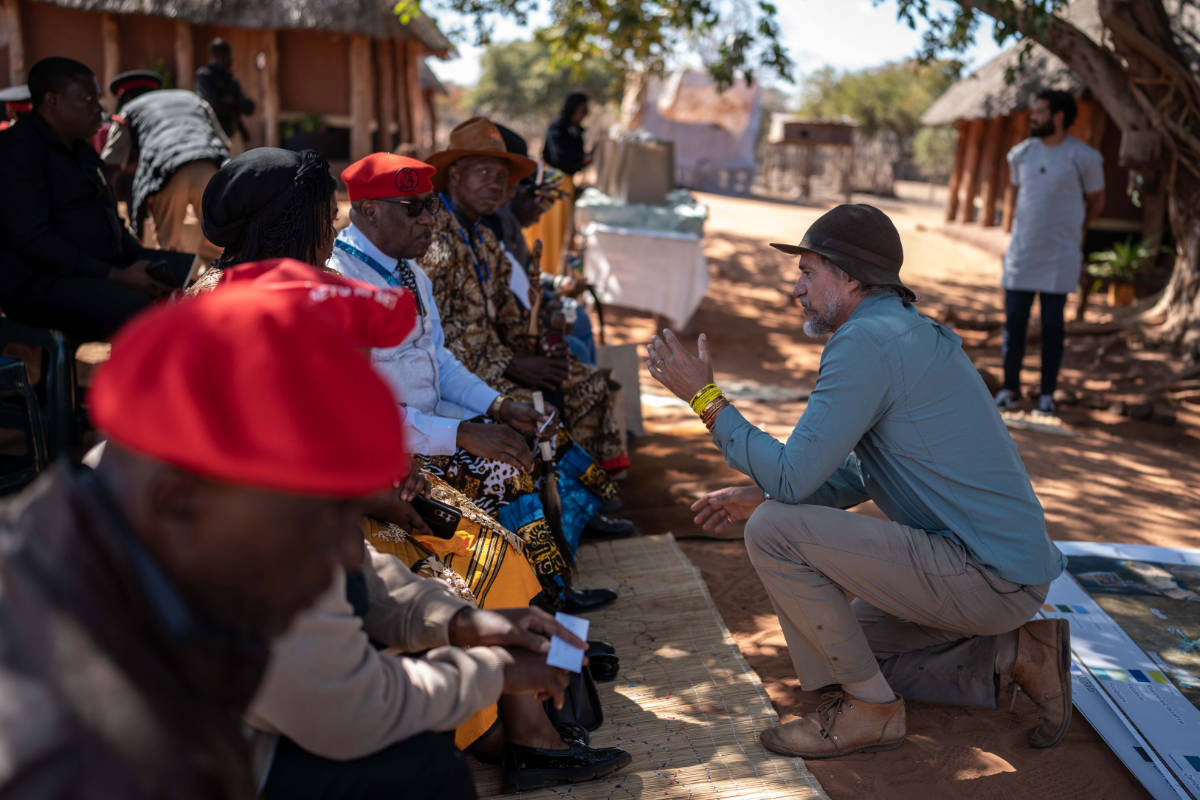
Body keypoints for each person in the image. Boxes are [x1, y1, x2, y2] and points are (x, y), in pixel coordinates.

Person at [646, 203, 1071, 759]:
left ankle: (872, 711)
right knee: (839, 652)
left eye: (807, 272)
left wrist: (705, 399)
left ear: (848, 277)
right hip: (1000, 575)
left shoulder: (865, 342)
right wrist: (764, 491)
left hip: (986, 576)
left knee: (774, 529)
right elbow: (859, 471)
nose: (797, 289)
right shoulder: (899, 331)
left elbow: (793, 479)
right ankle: (1018, 655)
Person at [0, 278, 420, 796]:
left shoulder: (96, 520)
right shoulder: (103, 758)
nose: (351, 553)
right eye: (311, 518)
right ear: (177, 498)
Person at [226, 263, 630, 796]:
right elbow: (347, 691)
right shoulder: (240, 510)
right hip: (239, 758)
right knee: (432, 767)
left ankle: (532, 721)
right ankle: (508, 731)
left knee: (500, 551)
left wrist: (470, 625)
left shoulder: (277, 453)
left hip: (375, 521)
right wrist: (490, 670)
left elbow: (366, 577)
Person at [327, 152, 627, 609]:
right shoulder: (340, 281)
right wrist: (462, 433)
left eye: (431, 206)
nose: (429, 220)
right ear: (368, 210)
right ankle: (534, 610)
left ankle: (551, 592)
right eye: (414, 209)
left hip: (430, 425)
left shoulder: (411, 271)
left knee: (531, 436)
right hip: (391, 450)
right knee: (506, 468)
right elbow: (356, 411)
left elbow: (440, 362)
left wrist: (500, 407)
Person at [422, 116, 631, 478]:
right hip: (461, 375)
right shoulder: (432, 236)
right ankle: (558, 497)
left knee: (588, 382)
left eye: (500, 176)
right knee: (541, 410)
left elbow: (508, 312)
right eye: (483, 172)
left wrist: (540, 343)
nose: (494, 184)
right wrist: (513, 363)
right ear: (454, 176)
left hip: (496, 361)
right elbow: (440, 336)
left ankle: (590, 493)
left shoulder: (482, 236)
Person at [0, 57, 170, 339]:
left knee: (183, 291)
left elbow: (111, 222)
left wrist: (145, 265)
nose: (98, 109)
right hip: (38, 284)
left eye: (97, 99)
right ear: (52, 101)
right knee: (141, 312)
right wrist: (116, 275)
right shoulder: (18, 151)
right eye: (87, 99)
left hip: (96, 272)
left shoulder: (82, 151)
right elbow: (35, 241)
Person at [996, 89, 1104, 416]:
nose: (1034, 118)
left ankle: (1046, 395)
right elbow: (1021, 196)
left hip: (1060, 257)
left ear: (1058, 117)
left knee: (1052, 327)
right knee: (1014, 322)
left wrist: (1076, 232)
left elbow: (1096, 201)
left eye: (1040, 112)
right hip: (1023, 253)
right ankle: (1009, 389)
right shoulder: (1020, 155)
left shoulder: (1084, 158)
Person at [490, 124, 597, 365]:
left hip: (522, 319)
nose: (539, 217)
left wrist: (557, 286)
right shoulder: (491, 226)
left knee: (578, 319)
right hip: (505, 335)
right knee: (576, 345)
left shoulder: (506, 224)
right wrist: (546, 303)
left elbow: (525, 273)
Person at [101, 77, 230, 264]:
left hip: (167, 174)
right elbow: (224, 144)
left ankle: (176, 280)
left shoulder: (129, 110)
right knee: (217, 245)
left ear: (126, 97)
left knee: (170, 250)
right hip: (208, 169)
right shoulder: (195, 100)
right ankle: (216, 279)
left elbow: (110, 163)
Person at [529, 93, 591, 271]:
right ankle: (545, 267)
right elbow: (559, 157)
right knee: (549, 227)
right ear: (572, 108)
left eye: (586, 111)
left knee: (562, 228)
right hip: (552, 182)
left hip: (567, 183)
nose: (584, 115)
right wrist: (581, 160)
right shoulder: (557, 127)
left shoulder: (577, 130)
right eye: (582, 110)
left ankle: (558, 267)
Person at [195, 38, 256, 150]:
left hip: (233, 134)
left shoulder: (231, 81)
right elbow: (213, 105)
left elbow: (249, 107)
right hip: (213, 136)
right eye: (229, 56)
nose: (231, 60)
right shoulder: (205, 77)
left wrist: (232, 101)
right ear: (219, 56)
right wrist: (234, 104)